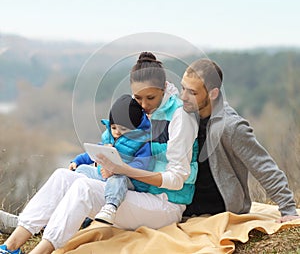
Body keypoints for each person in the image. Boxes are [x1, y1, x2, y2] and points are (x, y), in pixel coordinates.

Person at [0, 52, 198, 254]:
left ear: (164, 88)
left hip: (164, 203)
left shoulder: (180, 117)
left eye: (151, 98)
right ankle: (10, 246)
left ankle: (40, 251)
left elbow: (177, 180)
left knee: (84, 188)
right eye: (138, 98)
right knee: (63, 176)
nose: (144, 105)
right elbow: (116, 142)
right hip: (135, 190)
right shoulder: (139, 110)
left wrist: (123, 169)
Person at [180, 58, 299, 222]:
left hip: (219, 208)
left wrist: (288, 210)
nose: (183, 96)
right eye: (183, 88)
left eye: (192, 92)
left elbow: (263, 166)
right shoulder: (184, 115)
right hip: (185, 203)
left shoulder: (232, 127)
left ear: (213, 93)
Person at [69, 94, 152, 224]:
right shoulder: (109, 137)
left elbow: (141, 165)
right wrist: (77, 161)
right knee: (82, 170)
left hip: (130, 180)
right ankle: (81, 213)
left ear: (134, 127)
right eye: (114, 127)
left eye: (123, 129)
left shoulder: (141, 142)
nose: (117, 132)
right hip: (105, 174)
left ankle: (110, 207)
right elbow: (95, 153)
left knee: (118, 179)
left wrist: (117, 169)